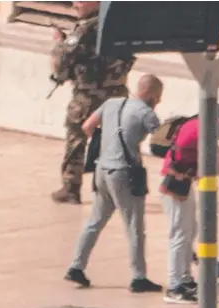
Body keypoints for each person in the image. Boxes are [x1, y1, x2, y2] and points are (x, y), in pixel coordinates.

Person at [64, 74, 163, 293]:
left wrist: (105, 142)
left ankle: (76, 266)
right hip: (125, 173)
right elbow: (162, 141)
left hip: (102, 169)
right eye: (158, 97)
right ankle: (138, 277)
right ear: (151, 95)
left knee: (95, 221)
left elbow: (87, 126)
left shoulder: (112, 103)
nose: (159, 101)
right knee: (134, 226)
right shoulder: (146, 113)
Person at [159, 103, 219, 304]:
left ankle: (184, 279)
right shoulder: (204, 129)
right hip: (175, 186)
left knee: (189, 231)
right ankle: (174, 287)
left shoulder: (199, 125)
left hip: (183, 184)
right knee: (180, 234)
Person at [49, 1, 136, 204]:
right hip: (117, 91)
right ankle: (121, 187)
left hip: (89, 94)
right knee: (117, 140)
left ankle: (71, 187)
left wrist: (58, 44)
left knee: (76, 136)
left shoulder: (86, 27)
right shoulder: (120, 22)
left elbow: (63, 59)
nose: (75, 3)